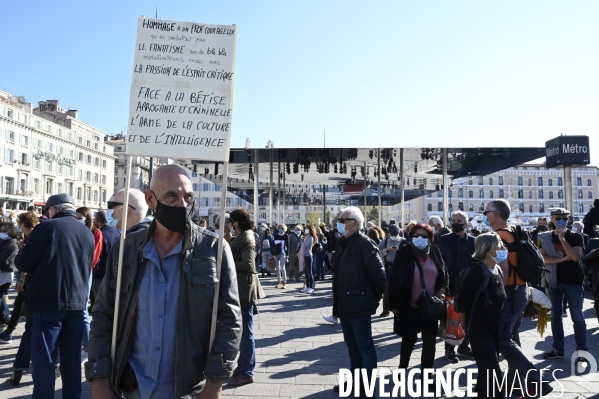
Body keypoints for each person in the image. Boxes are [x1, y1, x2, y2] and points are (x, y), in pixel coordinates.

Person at [86, 164, 241, 399]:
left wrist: (214, 385)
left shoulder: (214, 249)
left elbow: (230, 320)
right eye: (172, 196)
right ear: (151, 199)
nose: (182, 204)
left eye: (188, 196)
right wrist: (99, 380)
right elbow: (103, 314)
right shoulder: (126, 248)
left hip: (189, 389)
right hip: (133, 386)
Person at [14, 193, 95, 399]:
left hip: (49, 301)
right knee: (71, 361)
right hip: (77, 303)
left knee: (44, 362)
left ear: (53, 209)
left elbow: (23, 262)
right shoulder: (86, 232)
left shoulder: (47, 227)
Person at [483, 199, 552, 396]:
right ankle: (514, 384)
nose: (485, 215)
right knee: (511, 337)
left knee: (502, 339)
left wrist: (495, 295)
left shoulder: (499, 237)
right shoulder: (514, 231)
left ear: (495, 215)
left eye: (486, 212)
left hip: (509, 292)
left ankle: (536, 380)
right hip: (521, 290)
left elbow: (502, 270)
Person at [331, 206, 385, 396]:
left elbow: (380, 277)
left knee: (365, 348)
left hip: (359, 304)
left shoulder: (364, 243)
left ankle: (367, 387)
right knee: (352, 347)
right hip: (345, 305)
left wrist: (372, 300)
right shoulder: (344, 242)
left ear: (354, 224)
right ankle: (355, 382)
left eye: (342, 220)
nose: (339, 223)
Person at [389, 223, 448, 380]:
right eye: (416, 236)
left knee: (429, 343)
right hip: (409, 304)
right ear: (410, 237)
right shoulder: (404, 253)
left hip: (430, 306)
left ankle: (427, 376)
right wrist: (393, 304)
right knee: (408, 340)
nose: (420, 239)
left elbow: (444, 275)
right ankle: (402, 371)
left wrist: (442, 291)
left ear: (430, 239)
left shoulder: (435, 252)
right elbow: (394, 279)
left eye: (424, 236)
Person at [455, 232, 507, 398]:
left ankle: (483, 392)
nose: (504, 249)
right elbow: (462, 300)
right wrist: (464, 323)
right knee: (491, 367)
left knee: (488, 365)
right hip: (478, 327)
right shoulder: (476, 272)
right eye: (500, 246)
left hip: (494, 326)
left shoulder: (496, 269)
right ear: (488, 250)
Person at [538, 208, 587, 363]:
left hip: (573, 282)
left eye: (565, 218)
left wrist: (562, 239)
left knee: (577, 317)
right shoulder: (542, 237)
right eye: (558, 217)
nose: (562, 220)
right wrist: (561, 259)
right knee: (555, 317)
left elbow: (575, 257)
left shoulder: (577, 236)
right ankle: (558, 349)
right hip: (552, 282)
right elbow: (542, 258)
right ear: (551, 219)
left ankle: (582, 351)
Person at [227, 209, 265, 387]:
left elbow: (249, 264)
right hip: (241, 288)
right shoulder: (243, 236)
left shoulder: (247, 237)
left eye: (232, 222)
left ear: (237, 222)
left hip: (244, 289)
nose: (230, 225)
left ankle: (247, 371)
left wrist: (226, 262)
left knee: (246, 333)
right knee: (242, 331)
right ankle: (243, 366)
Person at [436, 210, 476, 363]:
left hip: (469, 287)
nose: (456, 223)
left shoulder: (473, 241)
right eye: (454, 220)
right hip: (450, 286)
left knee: (468, 320)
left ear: (466, 224)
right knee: (450, 320)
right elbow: (438, 263)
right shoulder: (444, 240)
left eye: (459, 220)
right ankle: (449, 348)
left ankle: (464, 347)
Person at [76, 206, 103, 366]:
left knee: (82, 310)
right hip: (75, 272)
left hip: (85, 272)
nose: (78, 220)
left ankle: (87, 349)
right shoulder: (78, 231)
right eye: (76, 217)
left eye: (81, 217)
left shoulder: (96, 233)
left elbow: (95, 256)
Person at [91, 211, 121, 305]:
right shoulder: (118, 232)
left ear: (96, 220)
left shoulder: (99, 234)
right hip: (115, 274)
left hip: (100, 275)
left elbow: (96, 256)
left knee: (98, 306)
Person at [378, 224, 404, 318]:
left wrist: (399, 251)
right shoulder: (384, 242)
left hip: (400, 268)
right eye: (392, 233)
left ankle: (400, 308)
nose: (393, 235)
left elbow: (408, 253)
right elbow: (378, 253)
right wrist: (387, 250)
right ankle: (385, 310)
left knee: (400, 290)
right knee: (387, 290)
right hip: (388, 267)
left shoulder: (402, 241)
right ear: (389, 233)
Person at [0, 222, 19, 326]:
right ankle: (5, 319)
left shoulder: (12, 244)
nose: (1, 233)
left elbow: (2, 257)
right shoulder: (3, 242)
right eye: (1, 230)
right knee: (1, 297)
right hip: (2, 272)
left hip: (6, 273)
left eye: (4, 231)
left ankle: (5, 320)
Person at [272, 224, 289, 289]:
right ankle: (279, 282)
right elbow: (273, 244)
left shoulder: (286, 236)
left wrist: (287, 254)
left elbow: (288, 245)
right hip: (276, 253)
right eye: (279, 228)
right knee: (277, 268)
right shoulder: (276, 235)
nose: (280, 229)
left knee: (283, 268)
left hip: (282, 253)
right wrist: (272, 253)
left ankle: (284, 282)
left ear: (284, 229)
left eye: (282, 228)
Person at [302, 224, 317, 294]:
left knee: (309, 272)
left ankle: (311, 287)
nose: (306, 230)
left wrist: (301, 241)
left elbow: (305, 246)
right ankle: (307, 286)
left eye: (307, 229)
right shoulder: (306, 237)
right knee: (306, 273)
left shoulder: (311, 237)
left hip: (308, 256)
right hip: (304, 256)